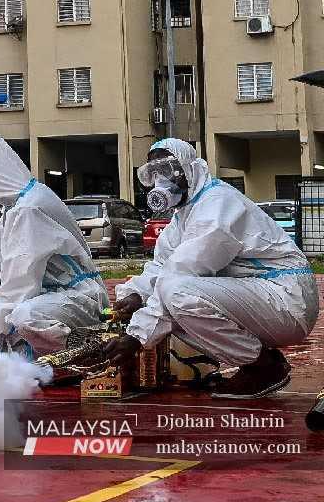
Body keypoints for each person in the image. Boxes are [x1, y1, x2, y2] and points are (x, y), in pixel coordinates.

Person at [103, 139, 319, 399]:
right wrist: (135, 295)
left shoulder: (216, 206)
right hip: (263, 296)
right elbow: (161, 266)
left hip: (286, 298)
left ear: (191, 169)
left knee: (178, 296)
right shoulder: (185, 214)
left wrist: (136, 337)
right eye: (154, 173)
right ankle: (259, 360)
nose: (161, 180)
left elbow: (180, 275)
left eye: (169, 170)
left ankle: (263, 367)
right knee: (167, 302)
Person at [0, 133, 107, 358]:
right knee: (3, 334)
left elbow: (16, 290)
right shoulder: (17, 206)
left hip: (78, 298)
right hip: (52, 297)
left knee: (24, 317)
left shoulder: (28, 209)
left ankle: (85, 354)